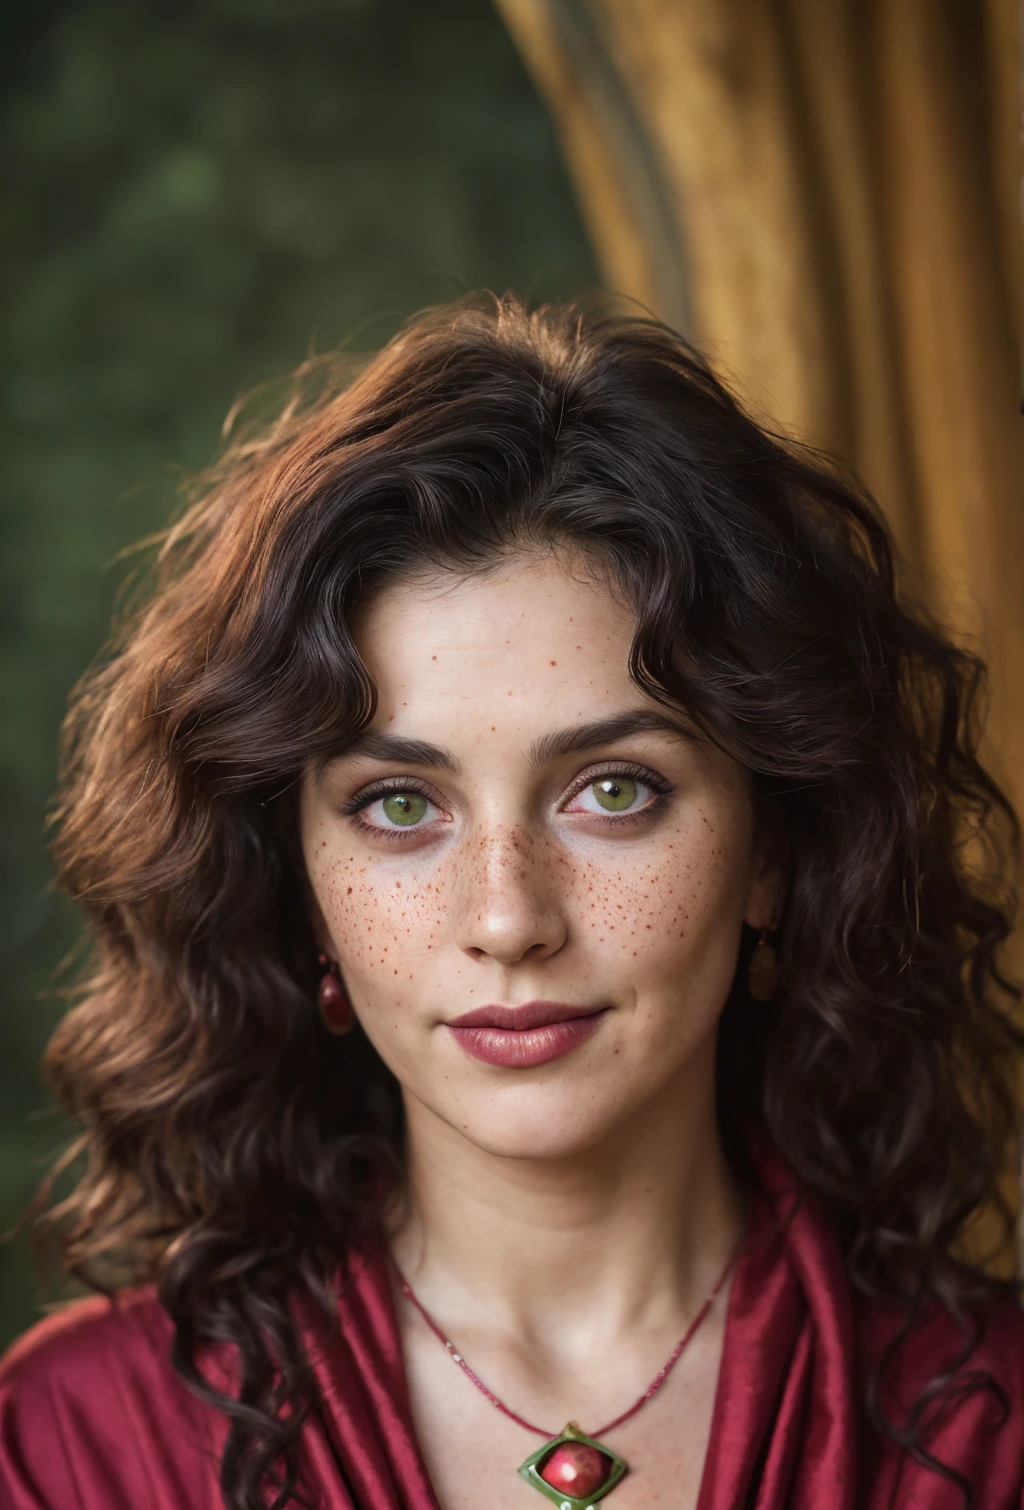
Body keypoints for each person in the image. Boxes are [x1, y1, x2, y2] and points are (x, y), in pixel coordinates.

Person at [1, 294, 1022, 1510]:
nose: (506, 918)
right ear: (299, 884)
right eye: (397, 805)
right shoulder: (82, 1442)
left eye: (612, 790)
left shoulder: (990, 1435)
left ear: (774, 850)